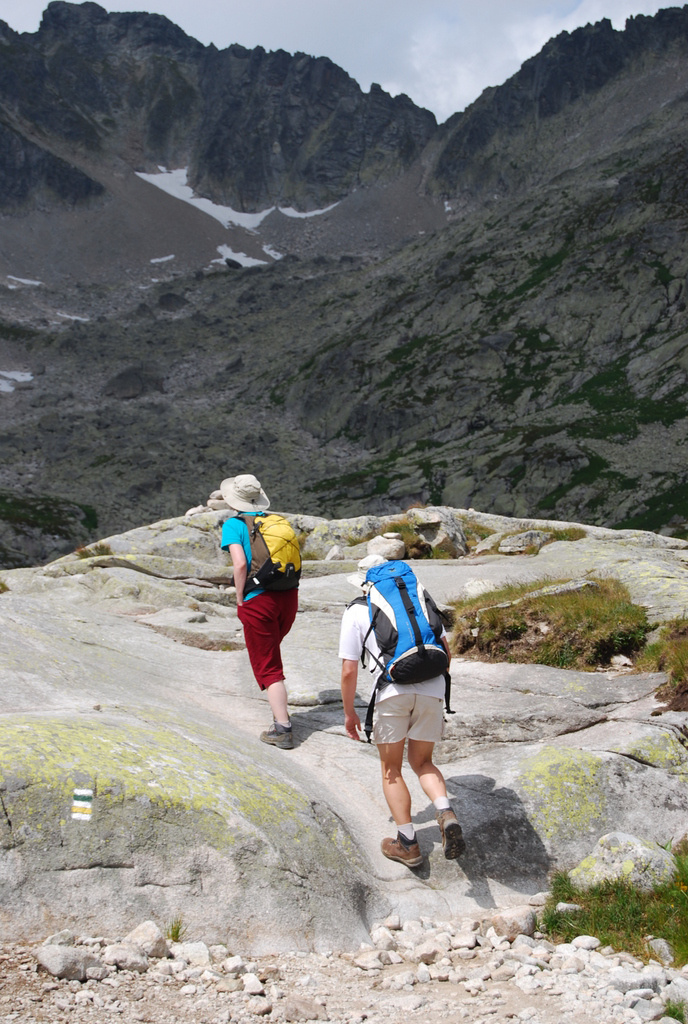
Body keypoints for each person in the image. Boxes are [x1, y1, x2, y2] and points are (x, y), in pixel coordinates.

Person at [338, 555, 465, 866]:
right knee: (423, 762)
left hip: (392, 691)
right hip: (433, 686)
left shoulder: (357, 609)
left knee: (391, 770)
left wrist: (349, 714)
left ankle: (407, 843)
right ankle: (445, 811)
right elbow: (446, 654)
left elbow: (348, 670)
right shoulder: (419, 601)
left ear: (366, 584)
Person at [220, 474, 298, 749]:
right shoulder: (275, 522)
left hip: (259, 601)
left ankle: (283, 728)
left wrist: (240, 596)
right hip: (288, 597)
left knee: (268, 666)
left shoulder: (233, 525)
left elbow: (240, 564)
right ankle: (282, 712)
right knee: (270, 655)